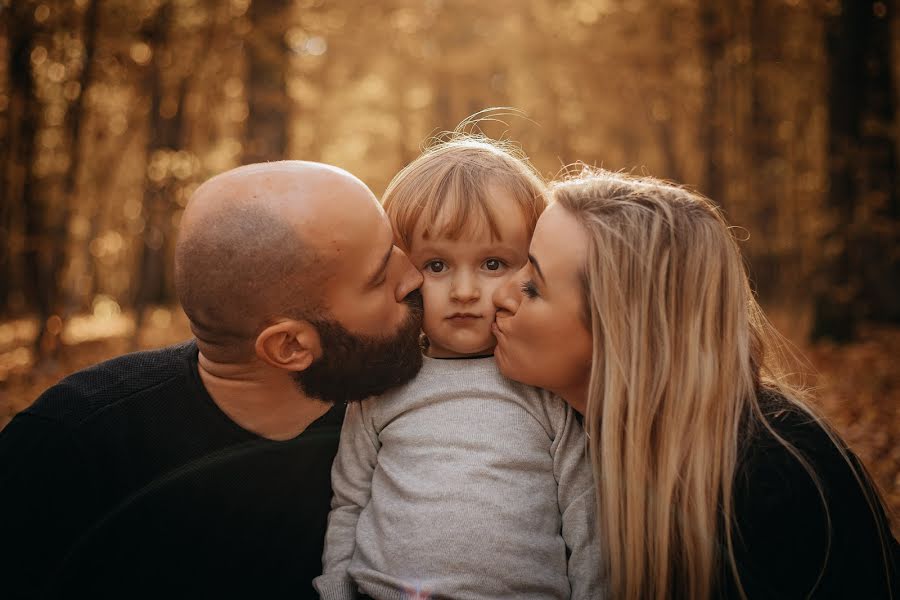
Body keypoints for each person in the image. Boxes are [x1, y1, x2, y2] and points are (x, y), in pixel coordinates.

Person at [0, 161, 425, 599]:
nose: (415, 274)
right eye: (378, 277)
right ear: (289, 348)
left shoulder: (423, 411)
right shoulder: (69, 448)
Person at [492, 168, 900, 599]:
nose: (500, 293)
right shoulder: (564, 431)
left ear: (623, 337)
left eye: (533, 287)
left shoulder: (777, 483)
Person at [313, 137, 602, 600]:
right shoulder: (383, 384)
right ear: (404, 271)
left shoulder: (545, 386)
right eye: (436, 265)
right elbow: (349, 502)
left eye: (493, 263)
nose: (465, 290)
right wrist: (335, 589)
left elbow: (585, 516)